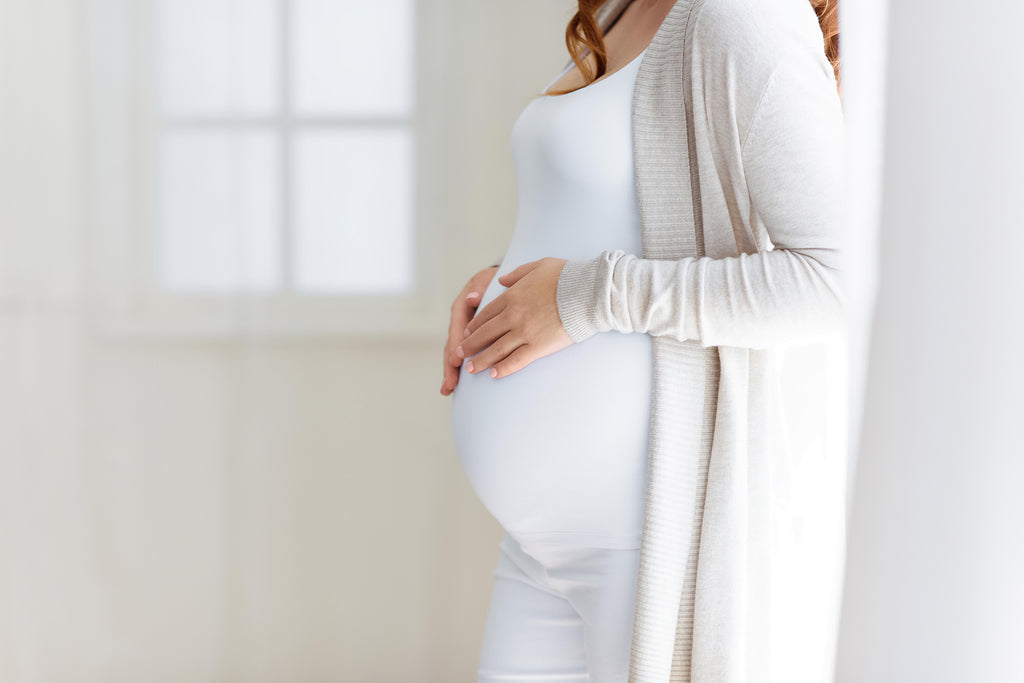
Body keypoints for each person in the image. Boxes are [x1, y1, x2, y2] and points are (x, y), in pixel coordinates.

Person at [442, 0, 846, 680]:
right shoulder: (629, 6)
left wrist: (587, 295)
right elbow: (616, 210)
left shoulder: (742, 15)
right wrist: (502, 282)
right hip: (540, 543)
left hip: (645, 535)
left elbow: (833, 281)